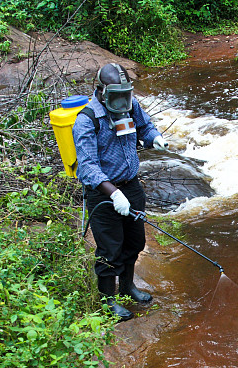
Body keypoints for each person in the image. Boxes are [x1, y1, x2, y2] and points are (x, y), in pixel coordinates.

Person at [73, 63, 168, 321]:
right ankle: (108, 301)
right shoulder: (87, 120)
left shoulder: (130, 103)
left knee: (135, 242)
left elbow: (145, 126)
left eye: (126, 94)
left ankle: (127, 287)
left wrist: (154, 137)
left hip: (132, 187)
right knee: (109, 250)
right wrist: (113, 194)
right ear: (101, 92)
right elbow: (88, 166)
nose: (123, 101)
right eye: (116, 96)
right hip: (104, 194)